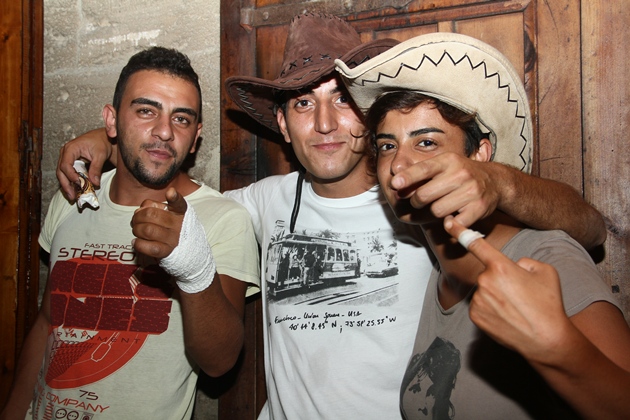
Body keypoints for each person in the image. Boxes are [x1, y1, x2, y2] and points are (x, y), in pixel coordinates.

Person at [53, 14, 607, 419]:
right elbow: (169, 185)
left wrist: (499, 182)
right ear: (282, 123)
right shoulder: (261, 204)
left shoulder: (413, 196)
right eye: (302, 103)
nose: (323, 123)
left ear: (369, 113)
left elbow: (586, 227)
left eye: (341, 99)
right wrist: (107, 143)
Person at [337, 32, 630, 418]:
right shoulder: (436, 270)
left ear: (480, 154)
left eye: (426, 142)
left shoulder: (541, 259)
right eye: (388, 145)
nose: (399, 165)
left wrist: (556, 350)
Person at [0, 47, 259, 420]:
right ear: (111, 120)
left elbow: (219, 362)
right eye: (145, 111)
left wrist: (194, 268)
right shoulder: (74, 197)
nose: (165, 131)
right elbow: (48, 322)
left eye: (181, 118)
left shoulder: (222, 218)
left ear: (196, 137)